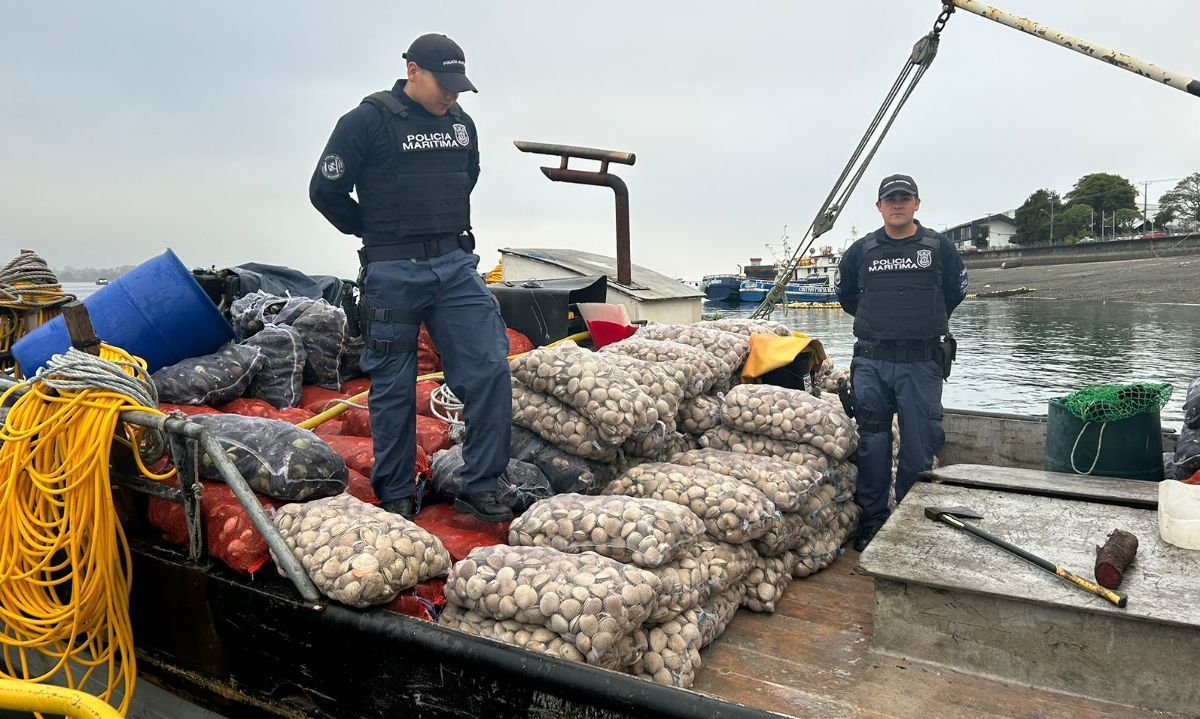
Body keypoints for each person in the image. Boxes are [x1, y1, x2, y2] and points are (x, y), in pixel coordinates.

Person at [309, 33, 513, 523]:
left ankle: (482, 483)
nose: (451, 95)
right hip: (393, 271)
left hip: (456, 265)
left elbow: (468, 177)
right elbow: (325, 191)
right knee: (394, 384)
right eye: (444, 84)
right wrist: (375, 229)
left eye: (459, 87)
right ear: (412, 70)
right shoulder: (367, 120)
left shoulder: (462, 124)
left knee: (488, 368)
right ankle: (397, 492)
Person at [835, 174, 967, 551]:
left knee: (919, 446)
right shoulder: (861, 251)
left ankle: (910, 522)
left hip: (921, 365)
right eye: (890, 198)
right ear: (879, 206)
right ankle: (873, 521)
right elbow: (847, 298)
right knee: (872, 445)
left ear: (916, 203)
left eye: (904, 198)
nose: (897, 204)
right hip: (873, 364)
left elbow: (954, 294)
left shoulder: (938, 247)